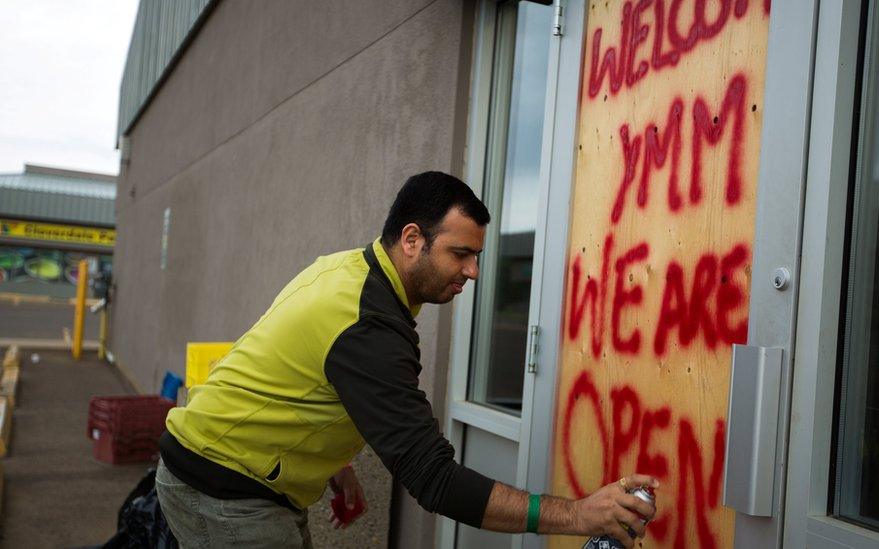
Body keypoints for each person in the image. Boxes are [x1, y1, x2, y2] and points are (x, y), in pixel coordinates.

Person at [154, 172, 658, 548]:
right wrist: (576, 517)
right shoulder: (367, 324)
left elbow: (295, 373)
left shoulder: (349, 270)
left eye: (476, 256)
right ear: (413, 239)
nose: (474, 271)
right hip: (222, 489)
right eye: (461, 253)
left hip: (227, 468)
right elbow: (435, 481)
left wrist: (336, 461)